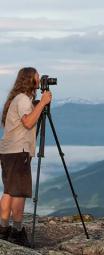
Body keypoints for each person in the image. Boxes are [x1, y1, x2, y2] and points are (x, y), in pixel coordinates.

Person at [0, 67, 52, 247]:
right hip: (18, 152)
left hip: (8, 152)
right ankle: (17, 232)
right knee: (19, 192)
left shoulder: (18, 99)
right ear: (30, 80)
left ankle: (3, 228)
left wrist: (37, 103)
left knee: (8, 191)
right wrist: (43, 103)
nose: (39, 81)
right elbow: (29, 123)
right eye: (37, 77)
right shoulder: (22, 99)